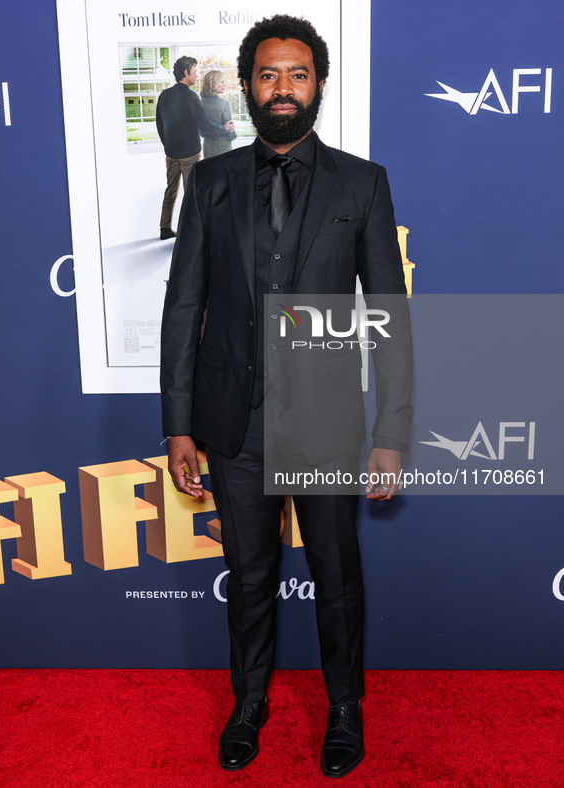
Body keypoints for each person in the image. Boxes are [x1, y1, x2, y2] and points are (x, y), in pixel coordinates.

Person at [160, 15, 412, 779]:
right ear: (244, 87)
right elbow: (183, 307)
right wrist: (177, 425)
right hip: (234, 425)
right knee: (248, 577)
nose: (281, 89)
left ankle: (342, 709)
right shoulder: (209, 181)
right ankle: (249, 705)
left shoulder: (362, 182)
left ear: (319, 86)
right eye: (267, 74)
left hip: (329, 426)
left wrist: (390, 431)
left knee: (336, 581)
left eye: (296, 74)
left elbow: (389, 318)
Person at [156, 56, 235, 240]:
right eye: (195, 71)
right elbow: (204, 125)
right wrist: (224, 128)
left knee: (170, 189)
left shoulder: (164, 95)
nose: (197, 74)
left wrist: (167, 145)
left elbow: (159, 124)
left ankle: (165, 228)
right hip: (190, 155)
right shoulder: (191, 96)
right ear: (186, 73)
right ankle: (191, 233)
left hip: (171, 154)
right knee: (192, 193)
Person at [200, 70, 237, 158]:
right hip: (223, 149)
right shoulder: (224, 103)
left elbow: (202, 131)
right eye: (222, 82)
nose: (224, 84)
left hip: (208, 149)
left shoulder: (200, 103)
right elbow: (231, 133)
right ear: (214, 83)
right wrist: (233, 133)